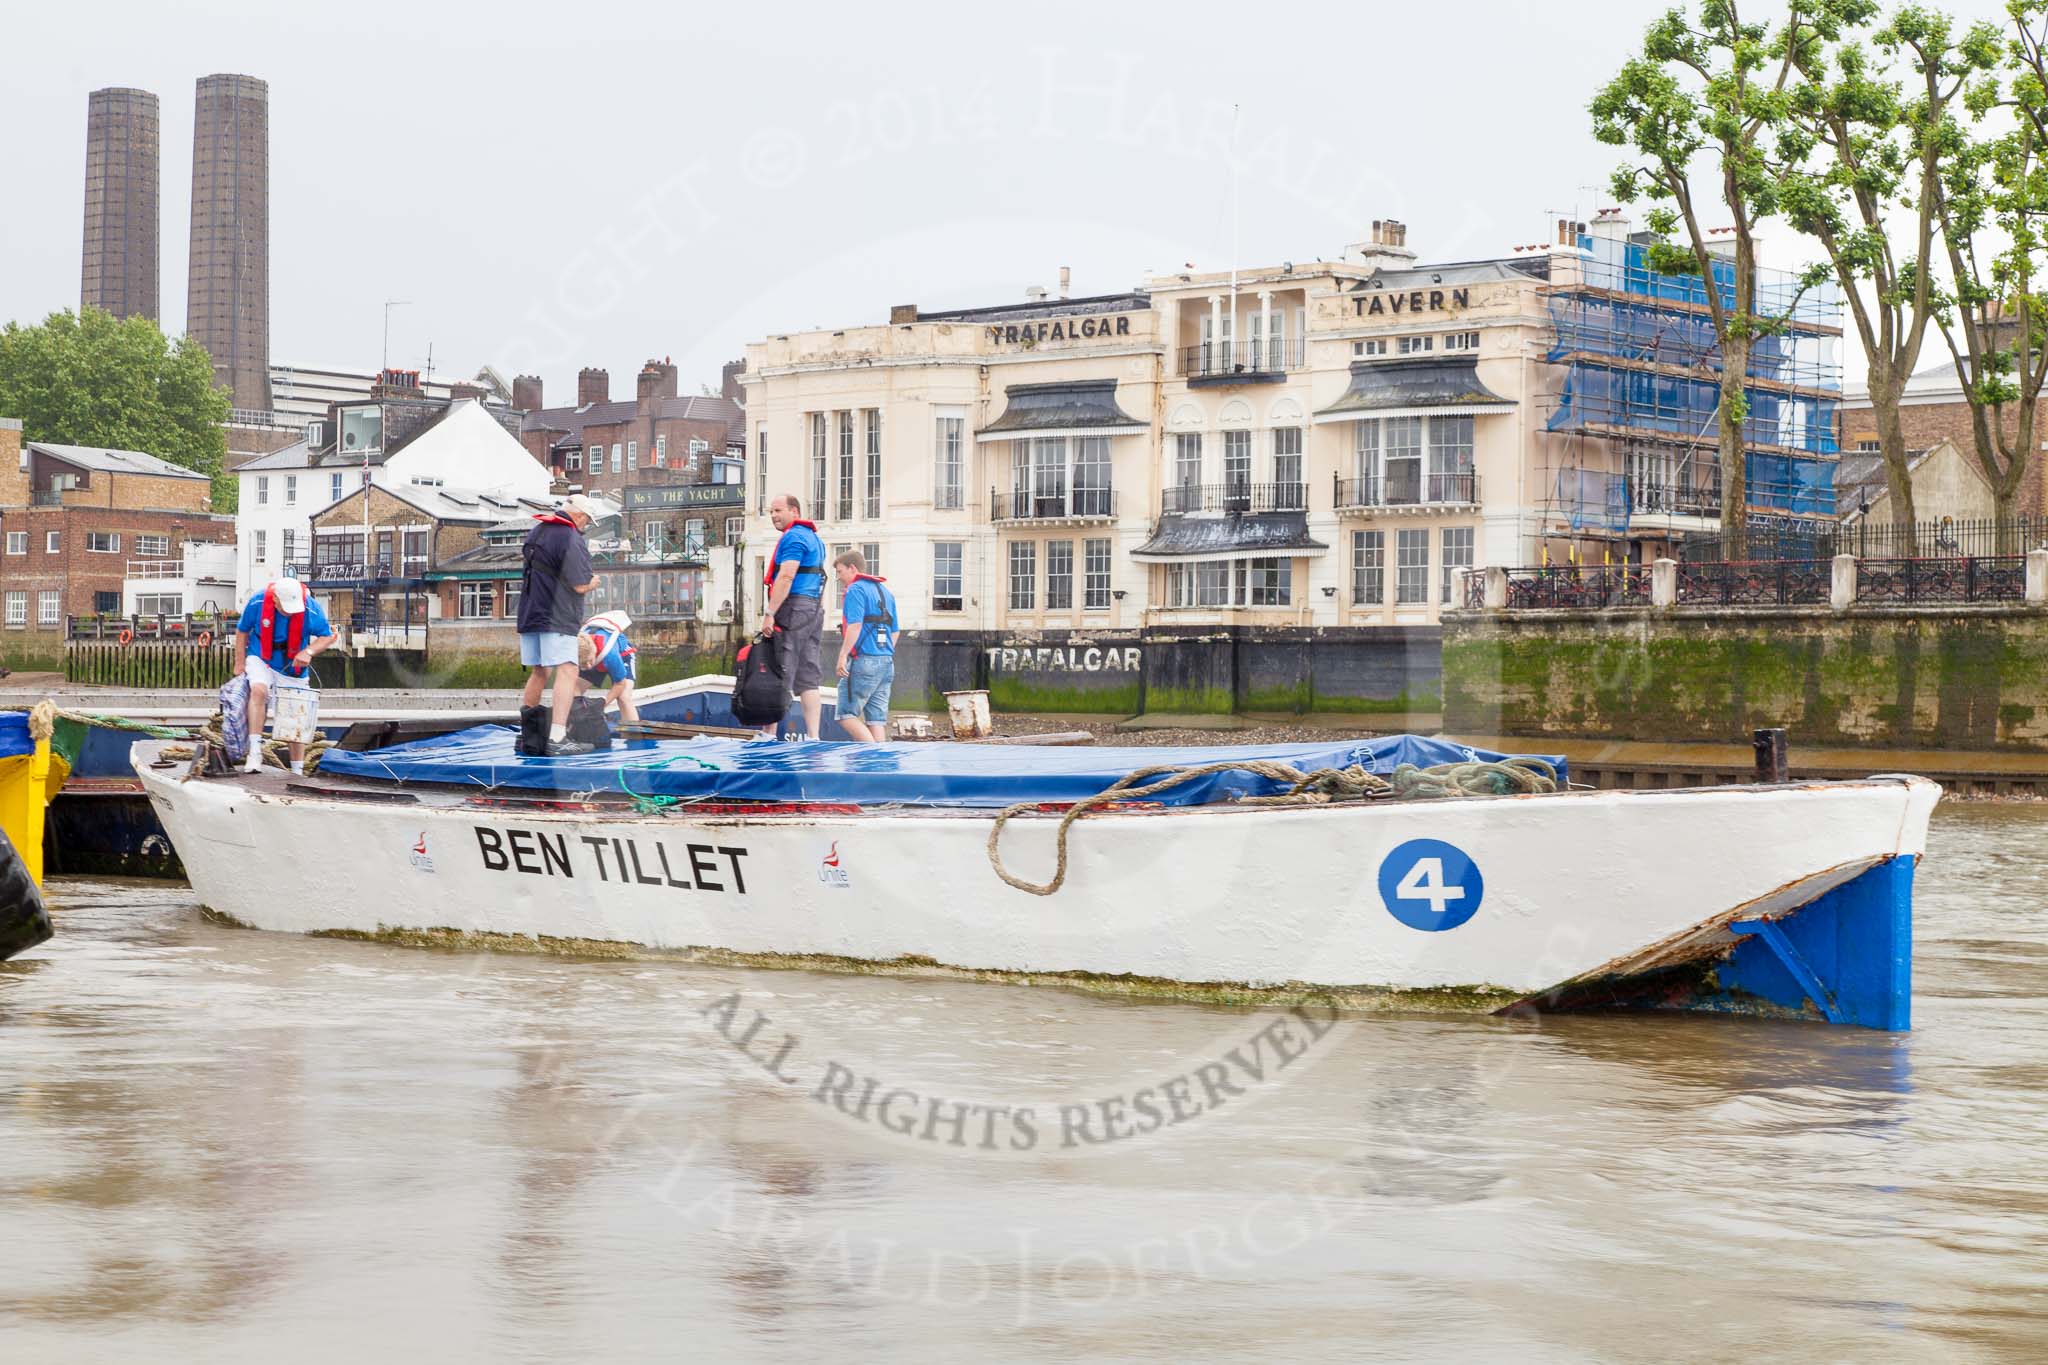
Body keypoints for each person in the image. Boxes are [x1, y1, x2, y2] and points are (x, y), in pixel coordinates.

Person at [519, 494, 600, 756]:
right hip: (558, 616)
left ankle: (528, 738)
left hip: (531, 613)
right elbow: (578, 584)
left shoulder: (536, 532)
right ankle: (557, 737)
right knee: (568, 670)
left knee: (539, 671)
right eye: (587, 520)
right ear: (578, 515)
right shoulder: (570, 537)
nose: (586, 525)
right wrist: (593, 583)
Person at [232, 576, 335, 774]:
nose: (288, 612)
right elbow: (242, 630)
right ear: (276, 599)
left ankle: (297, 769)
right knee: (259, 691)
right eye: (284, 607)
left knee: (294, 714)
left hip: (291, 664)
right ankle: (254, 752)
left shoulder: (310, 608)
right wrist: (239, 662)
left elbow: (328, 635)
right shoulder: (258, 601)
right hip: (261, 656)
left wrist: (309, 652)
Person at [760, 492, 826, 740]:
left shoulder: (794, 537)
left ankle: (768, 733)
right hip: (814, 609)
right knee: (809, 674)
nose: (774, 516)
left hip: (794, 608)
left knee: (780, 667)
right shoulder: (814, 538)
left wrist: (770, 613)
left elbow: (786, 576)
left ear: (794, 512)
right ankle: (813, 735)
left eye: (778, 511)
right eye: (771, 512)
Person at [831, 549, 897, 743]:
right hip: (886, 662)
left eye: (840, 572)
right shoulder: (886, 592)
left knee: (846, 715)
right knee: (876, 720)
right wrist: (882, 652)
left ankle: (869, 757)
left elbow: (855, 625)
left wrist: (842, 656)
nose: (839, 577)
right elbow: (895, 631)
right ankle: (880, 767)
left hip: (863, 661)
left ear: (852, 568)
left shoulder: (856, 589)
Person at [576, 609, 640, 725]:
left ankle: (634, 737)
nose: (589, 666)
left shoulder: (611, 655)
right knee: (574, 689)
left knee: (623, 697)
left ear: (593, 650)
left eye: (589, 662)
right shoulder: (575, 651)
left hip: (623, 655)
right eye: (584, 664)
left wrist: (601, 705)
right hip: (595, 656)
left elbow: (620, 684)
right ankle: (573, 725)